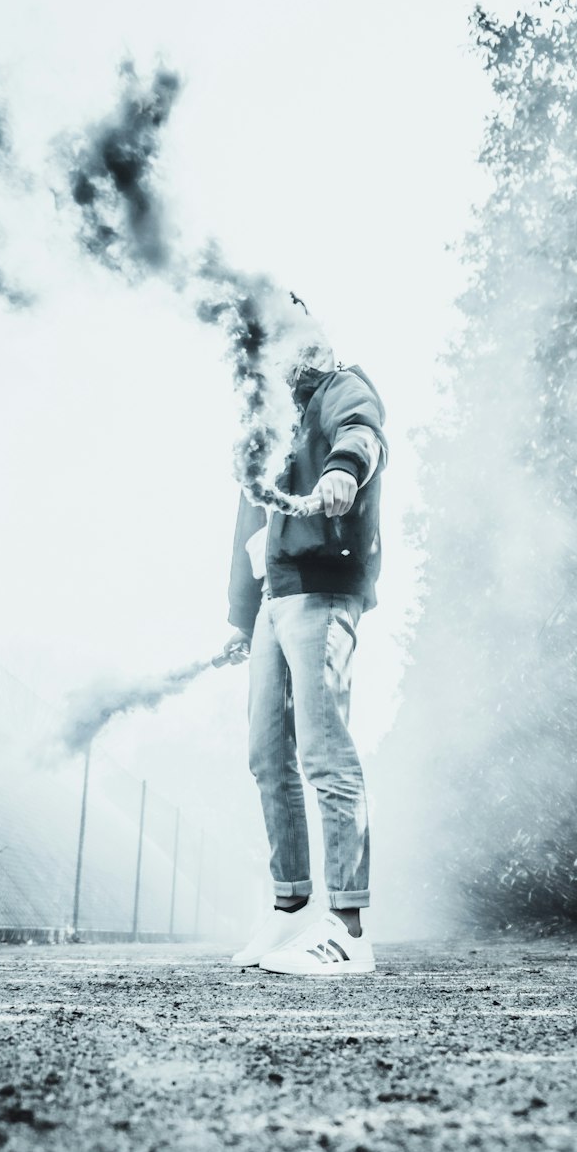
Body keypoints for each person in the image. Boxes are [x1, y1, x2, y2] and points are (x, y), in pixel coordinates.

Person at [221, 329, 387, 975]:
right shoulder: (268, 418)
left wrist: (345, 467)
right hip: (274, 600)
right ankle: (291, 909)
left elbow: (363, 429)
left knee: (324, 751)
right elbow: (248, 525)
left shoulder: (339, 388)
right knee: (267, 757)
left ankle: (348, 929)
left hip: (323, 589)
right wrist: (241, 617)